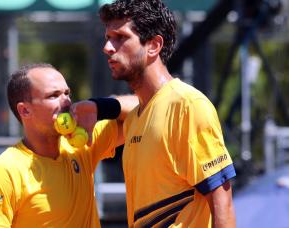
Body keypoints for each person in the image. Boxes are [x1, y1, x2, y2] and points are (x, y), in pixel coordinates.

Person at [93, 0, 237, 227]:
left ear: (153, 45)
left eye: (120, 37)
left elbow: (222, 201)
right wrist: (98, 106)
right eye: (108, 38)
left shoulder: (187, 105)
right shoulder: (134, 119)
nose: (108, 47)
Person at [0, 63, 136, 227]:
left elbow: (143, 108)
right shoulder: (3, 172)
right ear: (25, 111)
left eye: (67, 93)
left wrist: (99, 106)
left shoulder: (82, 144)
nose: (66, 101)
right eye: (53, 95)